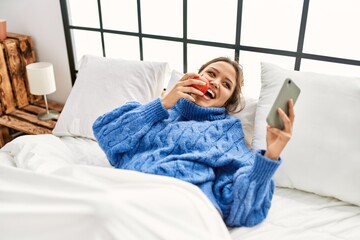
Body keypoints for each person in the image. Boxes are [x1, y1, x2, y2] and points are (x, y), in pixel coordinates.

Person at [92, 57, 295, 227]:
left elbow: (243, 206)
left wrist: (270, 155)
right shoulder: (157, 111)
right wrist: (163, 103)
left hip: (184, 207)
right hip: (128, 195)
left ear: (226, 102)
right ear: (194, 77)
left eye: (226, 84)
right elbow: (107, 135)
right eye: (211, 74)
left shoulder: (228, 132)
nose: (216, 82)